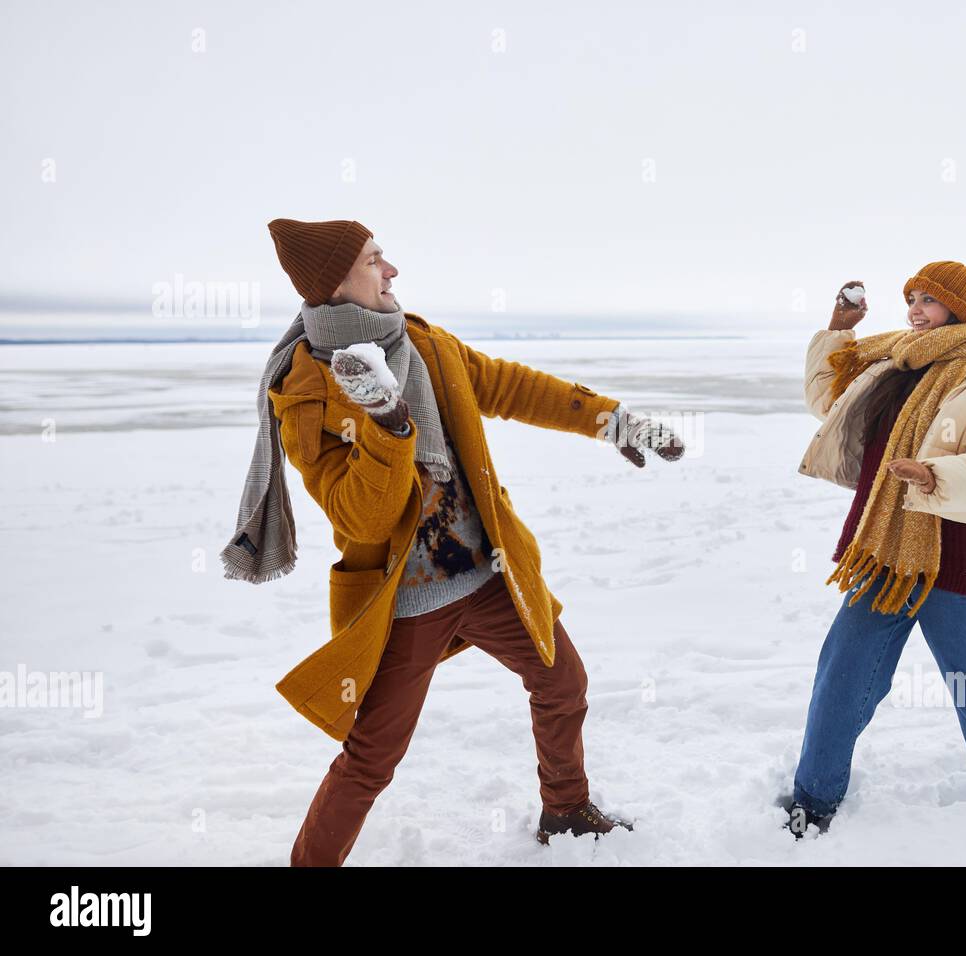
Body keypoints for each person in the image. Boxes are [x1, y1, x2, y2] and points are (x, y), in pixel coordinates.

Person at [222, 218, 684, 864]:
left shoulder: (422, 343)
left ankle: (565, 809)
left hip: (488, 572)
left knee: (562, 682)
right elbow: (361, 519)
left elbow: (513, 387)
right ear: (335, 283)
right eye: (375, 260)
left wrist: (614, 421)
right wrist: (387, 426)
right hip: (404, 602)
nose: (392, 271)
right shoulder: (306, 390)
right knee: (372, 757)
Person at [784, 260, 966, 837]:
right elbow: (826, 403)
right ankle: (814, 793)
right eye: (911, 296)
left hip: (956, 552)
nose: (914, 308)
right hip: (883, 550)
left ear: (959, 310)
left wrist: (937, 477)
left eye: (929, 300)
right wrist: (838, 330)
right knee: (844, 672)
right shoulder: (889, 363)